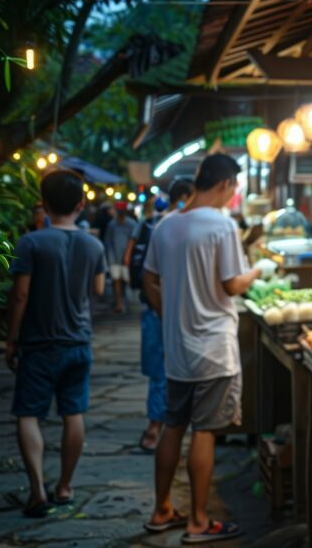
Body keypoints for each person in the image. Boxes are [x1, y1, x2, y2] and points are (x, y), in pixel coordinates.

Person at [143, 154, 260, 543]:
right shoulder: (221, 225)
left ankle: (161, 510)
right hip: (212, 347)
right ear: (226, 184)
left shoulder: (165, 226)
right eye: (234, 188)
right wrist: (258, 271)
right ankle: (197, 521)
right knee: (205, 431)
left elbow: (149, 281)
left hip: (178, 349)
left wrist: (172, 317)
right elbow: (231, 285)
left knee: (172, 426)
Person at [6, 169, 106, 517]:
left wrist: (12, 339)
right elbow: (98, 290)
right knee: (73, 412)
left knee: (28, 413)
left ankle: (37, 490)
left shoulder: (31, 242)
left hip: (39, 343)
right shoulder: (94, 244)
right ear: (81, 204)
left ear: (44, 204)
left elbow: (20, 296)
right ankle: (65, 486)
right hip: (78, 341)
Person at [125, 178, 195, 453]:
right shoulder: (173, 228)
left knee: (162, 371)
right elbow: (149, 277)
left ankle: (161, 425)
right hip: (166, 311)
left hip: (158, 310)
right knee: (165, 372)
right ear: (186, 198)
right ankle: (158, 426)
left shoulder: (159, 226)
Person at [103, 202, 137, 313]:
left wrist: (128, 255)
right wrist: (109, 257)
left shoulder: (132, 224)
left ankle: (126, 301)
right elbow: (108, 241)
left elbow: (134, 240)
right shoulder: (112, 224)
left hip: (127, 258)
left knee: (126, 280)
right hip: (114, 256)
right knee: (116, 280)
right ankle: (119, 303)